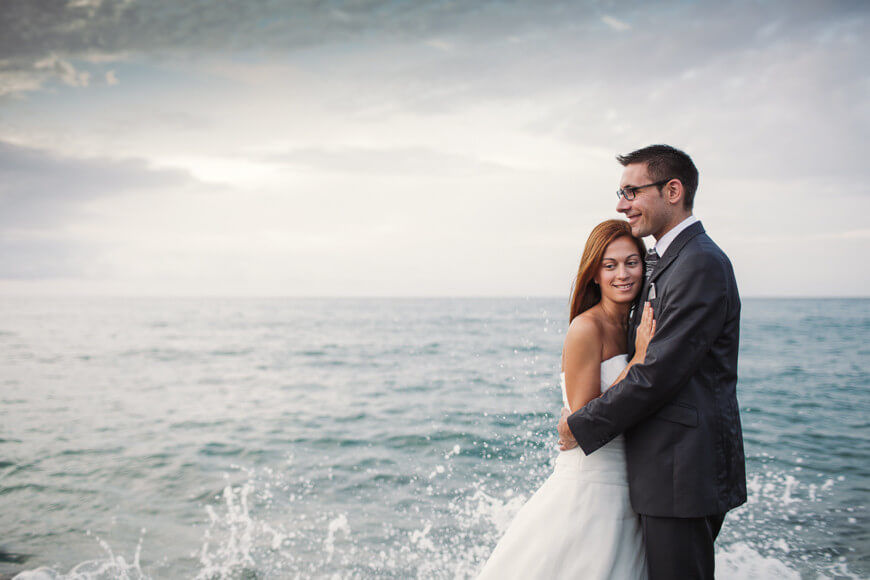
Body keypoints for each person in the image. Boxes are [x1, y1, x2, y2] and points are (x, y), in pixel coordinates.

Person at [557, 144, 746, 580]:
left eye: (631, 191)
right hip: (660, 473)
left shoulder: (699, 264)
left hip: (681, 474)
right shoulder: (669, 261)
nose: (622, 205)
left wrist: (580, 424)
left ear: (673, 190)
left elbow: (657, 374)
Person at [478, 219, 653, 579]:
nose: (623, 274)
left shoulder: (635, 326)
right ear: (594, 274)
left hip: (630, 490)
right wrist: (636, 361)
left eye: (631, 262)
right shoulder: (585, 328)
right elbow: (587, 418)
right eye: (610, 265)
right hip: (589, 487)